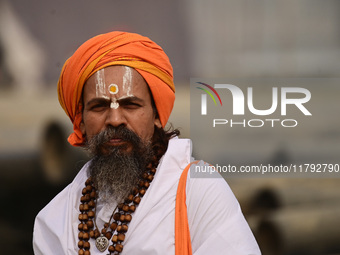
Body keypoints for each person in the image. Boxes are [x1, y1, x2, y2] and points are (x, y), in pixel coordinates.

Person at [33, 31, 261, 255]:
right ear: (81, 121)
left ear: (156, 115)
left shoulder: (198, 191)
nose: (114, 120)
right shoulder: (55, 221)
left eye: (131, 105)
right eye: (99, 106)